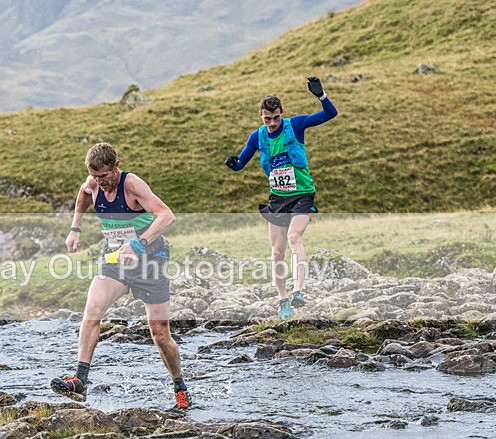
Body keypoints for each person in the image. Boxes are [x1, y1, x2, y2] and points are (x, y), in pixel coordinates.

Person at [50, 142, 190, 409]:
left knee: (159, 333)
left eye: (104, 176)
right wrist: (75, 228)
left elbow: (166, 216)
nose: (100, 182)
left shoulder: (132, 185)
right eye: (95, 176)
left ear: (116, 166)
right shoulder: (92, 183)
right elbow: (83, 193)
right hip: (116, 262)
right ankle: (80, 380)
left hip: (150, 262)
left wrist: (138, 244)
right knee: (92, 310)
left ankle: (179, 386)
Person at [224, 76, 338, 319]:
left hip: (302, 194)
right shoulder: (257, 137)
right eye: (267, 119)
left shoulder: (295, 125)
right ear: (261, 116)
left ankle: (298, 291)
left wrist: (321, 96)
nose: (272, 123)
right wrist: (232, 163)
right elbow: (241, 163)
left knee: (294, 236)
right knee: (276, 251)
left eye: (276, 118)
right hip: (278, 198)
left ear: (282, 113)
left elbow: (330, 114)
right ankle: (282, 299)